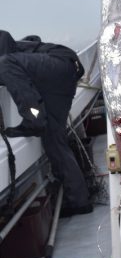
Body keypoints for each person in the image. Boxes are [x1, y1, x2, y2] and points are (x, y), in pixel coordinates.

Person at [0, 30, 92, 217]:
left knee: (4, 63)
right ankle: (78, 202)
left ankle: (33, 120)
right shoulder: (21, 52)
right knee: (54, 141)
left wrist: (34, 115)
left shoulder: (7, 53)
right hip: (63, 72)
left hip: (59, 64)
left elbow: (5, 46)